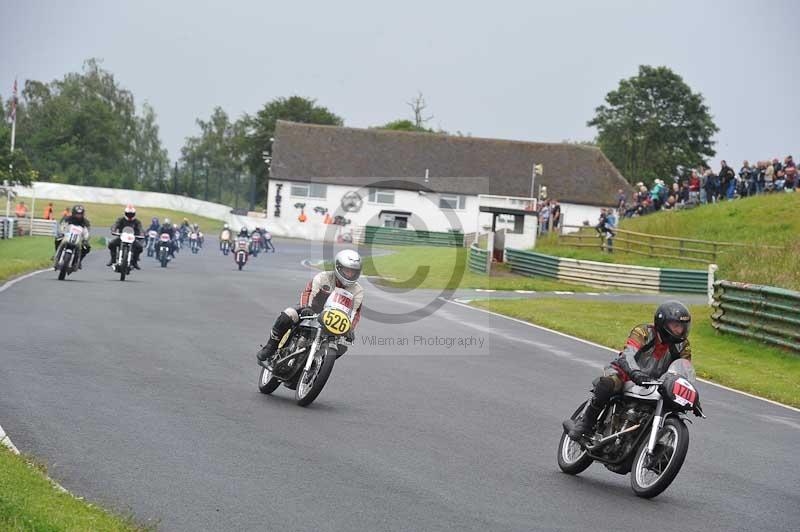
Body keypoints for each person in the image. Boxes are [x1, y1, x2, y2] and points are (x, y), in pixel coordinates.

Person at [563, 301, 694, 441]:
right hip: (626, 374)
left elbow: (682, 369)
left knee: (669, 406)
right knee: (607, 384)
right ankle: (585, 425)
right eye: (675, 326)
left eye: (682, 326)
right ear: (662, 323)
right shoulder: (643, 332)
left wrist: (689, 395)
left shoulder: (682, 345)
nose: (680, 331)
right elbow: (628, 354)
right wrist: (635, 373)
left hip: (654, 383)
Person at [257, 249, 363, 363]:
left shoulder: (358, 291)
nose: (350, 274)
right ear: (338, 267)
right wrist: (306, 307)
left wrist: (350, 328)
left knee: (342, 345)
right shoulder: (323, 277)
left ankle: (320, 362)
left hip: (334, 322)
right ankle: (270, 346)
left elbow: (355, 312)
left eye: (353, 272)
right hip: (312, 310)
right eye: (347, 271)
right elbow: (309, 292)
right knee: (289, 314)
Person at [107, 204, 144, 269]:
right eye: (128, 214)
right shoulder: (121, 219)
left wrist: (141, 234)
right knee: (111, 244)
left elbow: (140, 228)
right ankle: (113, 259)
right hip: (121, 237)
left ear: (134, 214)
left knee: (140, 247)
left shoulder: (137, 222)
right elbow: (115, 225)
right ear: (125, 213)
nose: (130, 215)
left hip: (132, 238)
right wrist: (113, 230)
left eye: (131, 214)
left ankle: (135, 262)